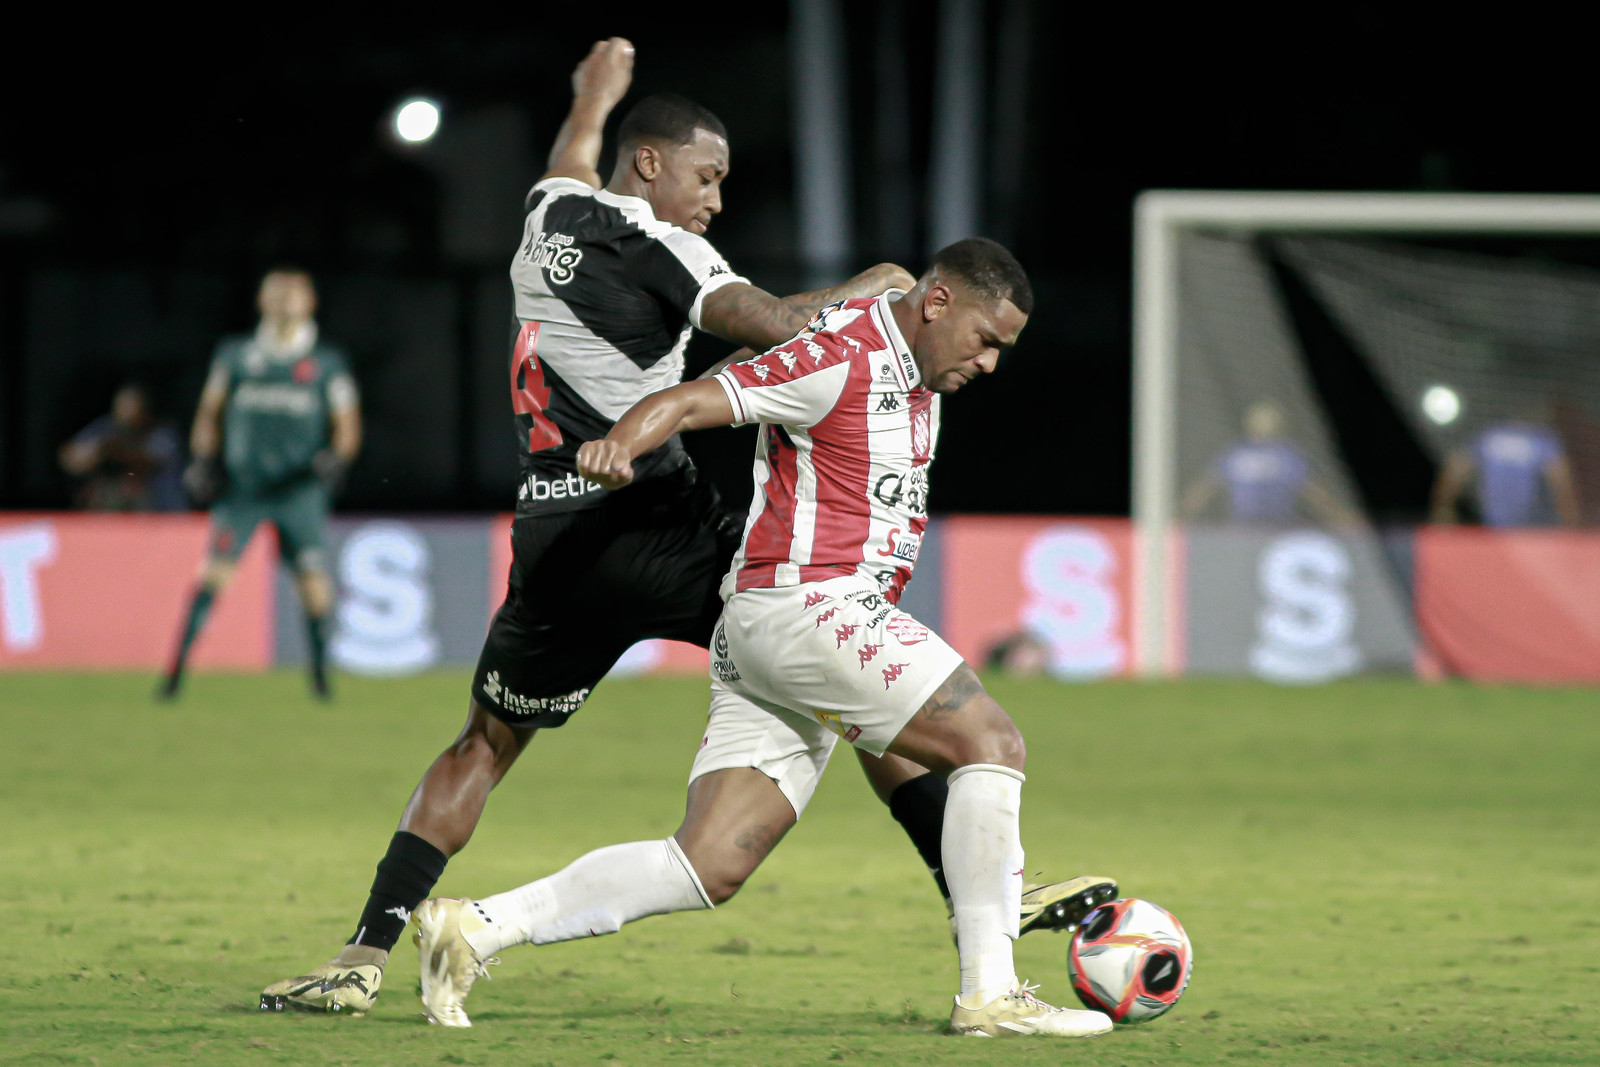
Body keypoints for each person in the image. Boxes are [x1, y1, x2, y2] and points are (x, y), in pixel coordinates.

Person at [260, 40, 1109, 1018]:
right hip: (653, 517)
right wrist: (868, 290)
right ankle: (985, 900)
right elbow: (779, 324)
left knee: (488, 746)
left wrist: (596, 90)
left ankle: (368, 946)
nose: (715, 200)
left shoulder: (548, 207)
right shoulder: (670, 250)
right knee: (855, 666)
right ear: (654, 166)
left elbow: (577, 144)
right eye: (708, 178)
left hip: (550, 533)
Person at [412, 238, 1113, 1039]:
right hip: (809, 608)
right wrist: (619, 445)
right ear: (941, 303)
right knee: (992, 739)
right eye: (987, 340)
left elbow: (878, 288)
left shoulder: (910, 351)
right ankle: (990, 990)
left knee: (707, 862)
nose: (990, 364)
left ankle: (475, 926)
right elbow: (695, 398)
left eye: (1004, 351)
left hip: (771, 635)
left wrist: (878, 282)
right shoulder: (837, 359)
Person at [157, 269, 361, 701]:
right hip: (243, 489)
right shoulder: (236, 355)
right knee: (213, 575)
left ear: (310, 303)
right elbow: (210, 411)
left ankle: (322, 680)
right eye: (277, 293)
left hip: (299, 491)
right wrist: (203, 460)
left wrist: (337, 459)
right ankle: (174, 675)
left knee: (313, 584)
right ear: (262, 300)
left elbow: (346, 423)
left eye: (294, 294)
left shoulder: (326, 363)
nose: (285, 301)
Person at [1180, 401, 1355, 527]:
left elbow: (1313, 492)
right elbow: (1205, 488)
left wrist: (1340, 517)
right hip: (1247, 529)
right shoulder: (1237, 453)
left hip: (1275, 527)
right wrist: (1181, 515)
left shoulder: (1285, 454)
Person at [1431, 416, 1582, 527]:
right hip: (1516, 530)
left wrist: (1443, 508)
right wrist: (1571, 520)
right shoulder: (1541, 439)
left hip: (1521, 527)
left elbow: (1456, 468)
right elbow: (1561, 480)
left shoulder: (1489, 436)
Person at [58, 381, 185, 511]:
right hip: (110, 512)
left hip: (159, 514)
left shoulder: (163, 432)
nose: (126, 411)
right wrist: (92, 456)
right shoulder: (106, 427)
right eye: (123, 405)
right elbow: (68, 456)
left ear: (147, 410)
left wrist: (114, 451)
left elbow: (150, 463)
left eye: (132, 405)